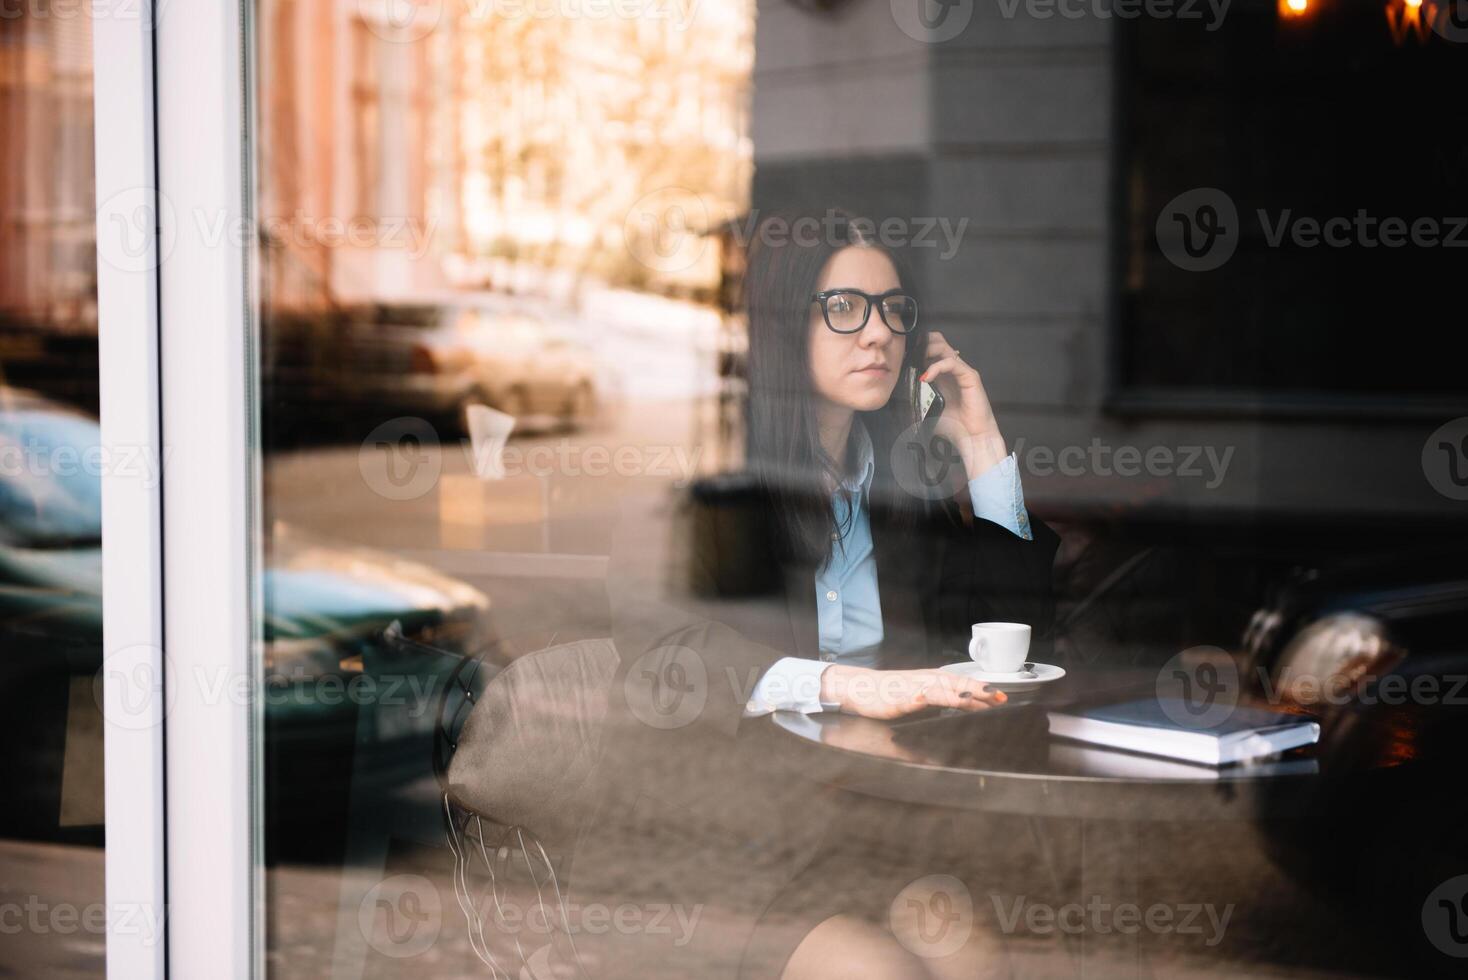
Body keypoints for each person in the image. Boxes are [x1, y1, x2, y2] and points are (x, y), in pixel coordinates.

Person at [571, 210, 1059, 979]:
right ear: (784, 329)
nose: (876, 334)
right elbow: (668, 654)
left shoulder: (903, 495)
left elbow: (1012, 639)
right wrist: (845, 686)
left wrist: (981, 445)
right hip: (756, 842)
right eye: (843, 309)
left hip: (886, 827)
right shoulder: (740, 497)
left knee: (978, 967)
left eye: (893, 310)